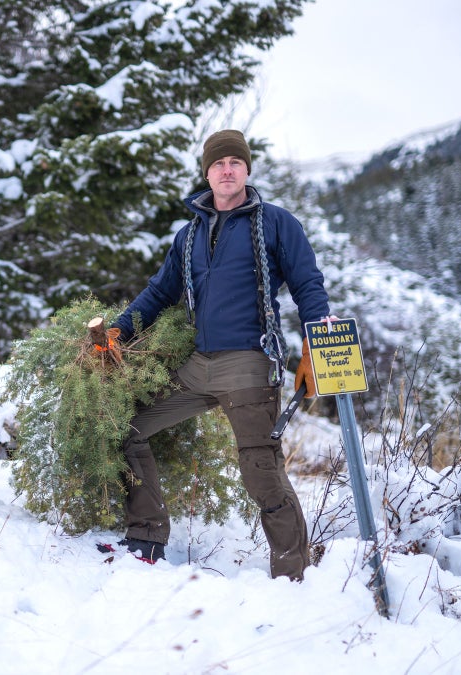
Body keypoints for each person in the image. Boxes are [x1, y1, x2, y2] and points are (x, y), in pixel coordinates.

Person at [108, 129, 331, 580]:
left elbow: (308, 285)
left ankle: (293, 570)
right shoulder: (189, 235)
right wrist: (119, 329)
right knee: (127, 427)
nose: (226, 170)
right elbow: (159, 292)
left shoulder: (276, 222)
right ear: (207, 173)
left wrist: (315, 345)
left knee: (260, 468)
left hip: (249, 362)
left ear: (247, 170)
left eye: (235, 163)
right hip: (197, 365)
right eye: (218, 164)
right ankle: (146, 536)